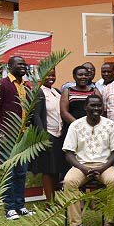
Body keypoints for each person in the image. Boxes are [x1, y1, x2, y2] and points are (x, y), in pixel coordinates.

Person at [62, 95, 114, 226]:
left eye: (99, 106)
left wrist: (102, 168)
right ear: (85, 107)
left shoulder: (110, 125)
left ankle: (109, 222)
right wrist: (83, 168)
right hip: (81, 165)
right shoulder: (76, 125)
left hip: (105, 166)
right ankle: (76, 225)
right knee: (69, 181)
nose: (96, 109)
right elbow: (68, 152)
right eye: (92, 106)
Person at [0, 56, 34, 220]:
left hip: (23, 137)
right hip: (7, 137)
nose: (23, 67)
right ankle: (9, 207)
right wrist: (0, 133)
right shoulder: (2, 84)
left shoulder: (26, 85)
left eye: (25, 64)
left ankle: (20, 205)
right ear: (10, 66)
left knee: (21, 172)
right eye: (20, 64)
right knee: (8, 173)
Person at [31, 68, 66, 204]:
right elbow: (37, 116)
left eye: (53, 75)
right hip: (48, 135)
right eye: (47, 75)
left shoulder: (57, 92)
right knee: (47, 169)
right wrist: (42, 136)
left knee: (56, 168)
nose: (51, 77)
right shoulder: (39, 92)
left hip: (59, 135)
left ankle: (55, 199)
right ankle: (49, 202)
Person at [60, 66, 102, 133]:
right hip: (72, 128)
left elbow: (100, 109)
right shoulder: (67, 91)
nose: (83, 77)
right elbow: (64, 112)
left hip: (92, 128)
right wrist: (79, 125)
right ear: (74, 76)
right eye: (80, 75)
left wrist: (89, 126)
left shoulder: (94, 91)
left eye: (86, 75)